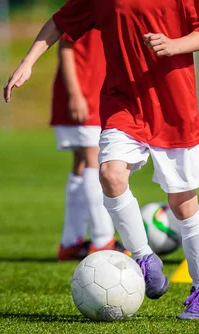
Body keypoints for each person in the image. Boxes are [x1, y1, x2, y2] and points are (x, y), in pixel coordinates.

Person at [3, 0, 199, 320]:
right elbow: (60, 22)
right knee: (110, 174)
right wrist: (27, 62)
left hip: (173, 105)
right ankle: (144, 256)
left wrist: (173, 45)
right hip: (123, 102)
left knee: (183, 202)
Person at [51, 30, 127, 261]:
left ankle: (70, 243)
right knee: (96, 158)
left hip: (90, 93)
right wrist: (75, 94)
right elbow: (65, 46)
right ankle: (103, 240)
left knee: (81, 163)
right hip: (85, 95)